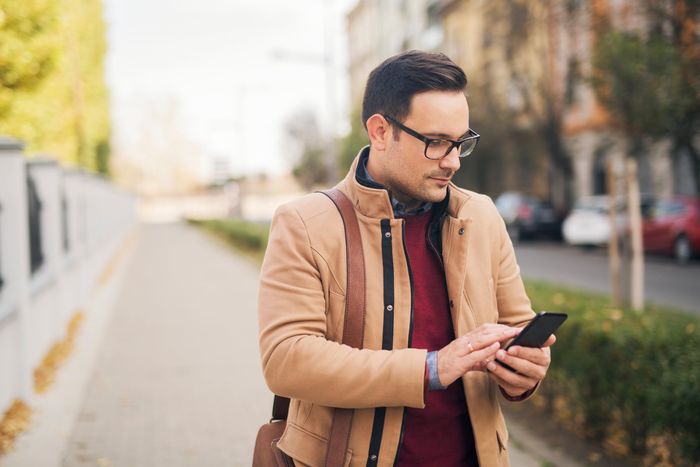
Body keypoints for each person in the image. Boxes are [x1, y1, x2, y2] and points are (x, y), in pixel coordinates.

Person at [258, 50, 556, 467]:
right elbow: (287, 360)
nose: (452, 161)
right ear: (380, 131)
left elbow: (517, 329)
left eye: (461, 143)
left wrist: (524, 372)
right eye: (436, 143)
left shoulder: (482, 215)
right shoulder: (304, 223)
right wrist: (432, 367)